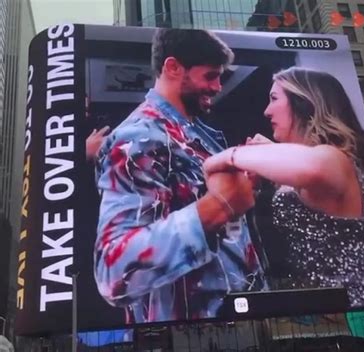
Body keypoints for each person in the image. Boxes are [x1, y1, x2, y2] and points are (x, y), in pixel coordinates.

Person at [94, 28, 266, 323]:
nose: (217, 87)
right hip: (190, 334)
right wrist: (219, 205)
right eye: (210, 76)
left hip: (244, 318)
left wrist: (248, 183)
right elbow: (114, 270)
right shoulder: (137, 138)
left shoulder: (200, 134)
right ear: (172, 67)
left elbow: (226, 226)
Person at [203, 67, 364, 306]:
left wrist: (225, 157)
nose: (266, 111)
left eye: (273, 99)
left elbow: (311, 167)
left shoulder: (335, 160)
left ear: (303, 103)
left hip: (352, 310)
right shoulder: (323, 170)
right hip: (317, 308)